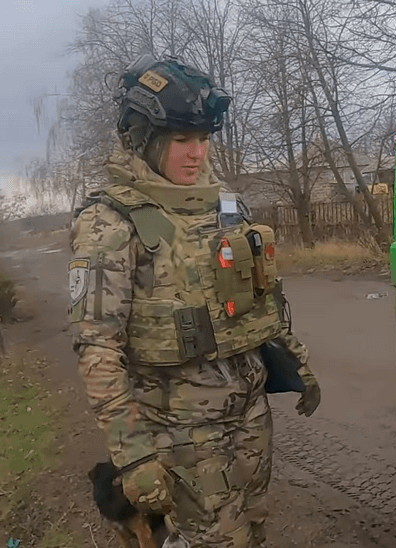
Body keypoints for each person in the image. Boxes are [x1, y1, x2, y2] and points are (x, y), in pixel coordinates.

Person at [69, 55, 321, 548]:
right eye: (183, 140)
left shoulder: (225, 203)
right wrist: (133, 454)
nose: (197, 154)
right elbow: (96, 345)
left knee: (253, 525)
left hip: (249, 412)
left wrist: (296, 362)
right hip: (180, 432)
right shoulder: (111, 221)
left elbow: (258, 298)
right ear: (143, 140)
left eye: (204, 139)